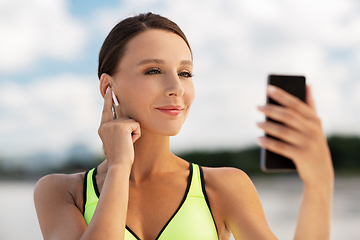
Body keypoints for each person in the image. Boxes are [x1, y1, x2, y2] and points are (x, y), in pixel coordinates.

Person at [34, 12, 334, 240]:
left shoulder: (224, 186)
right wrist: (118, 167)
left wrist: (319, 185)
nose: (176, 86)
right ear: (108, 87)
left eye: (186, 73)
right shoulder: (61, 192)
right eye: (153, 70)